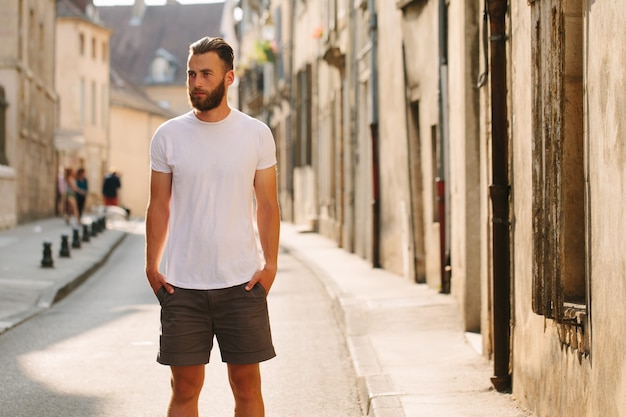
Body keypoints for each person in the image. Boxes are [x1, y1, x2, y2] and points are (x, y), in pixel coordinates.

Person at [144, 37, 280, 417]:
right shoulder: (168, 135)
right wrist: (152, 268)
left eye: (206, 74)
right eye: (191, 74)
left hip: (242, 283)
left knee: (246, 386)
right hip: (182, 285)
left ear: (229, 78)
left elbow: (268, 204)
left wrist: (270, 267)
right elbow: (158, 205)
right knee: (184, 388)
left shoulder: (256, 134)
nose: (196, 82)